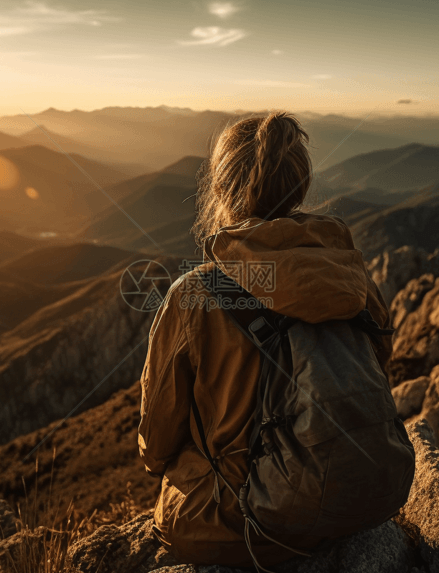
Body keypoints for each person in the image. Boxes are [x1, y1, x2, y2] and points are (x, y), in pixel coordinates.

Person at [137, 111, 394, 567]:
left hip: (247, 520)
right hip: (361, 503)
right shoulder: (354, 283)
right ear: (301, 185)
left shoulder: (195, 294)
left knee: (175, 494)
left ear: (220, 190)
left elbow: (157, 439)